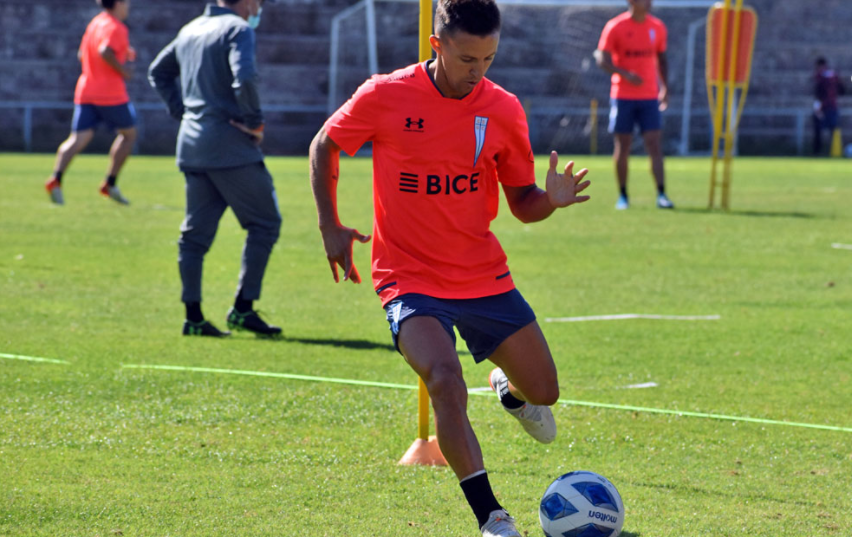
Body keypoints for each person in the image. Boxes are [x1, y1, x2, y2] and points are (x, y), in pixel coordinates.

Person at [309, 1, 590, 535]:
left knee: (546, 393)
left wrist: (549, 201)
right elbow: (325, 144)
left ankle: (508, 389)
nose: (477, 71)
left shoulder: (503, 109)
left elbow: (522, 203)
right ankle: (492, 516)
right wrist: (330, 224)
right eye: (466, 58)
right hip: (407, 278)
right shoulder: (385, 95)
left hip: (483, 276)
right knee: (444, 378)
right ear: (436, 46)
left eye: (488, 58)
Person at [148, 0, 282, 338]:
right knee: (265, 222)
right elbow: (246, 76)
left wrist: (183, 113)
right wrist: (255, 122)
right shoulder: (236, 29)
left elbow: (158, 72)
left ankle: (193, 317)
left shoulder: (189, 29)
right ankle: (243, 308)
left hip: (192, 146)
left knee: (194, 237)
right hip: (229, 145)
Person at [45, 0, 137, 206]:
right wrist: (123, 71)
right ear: (118, 3)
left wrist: (121, 53)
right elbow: (105, 51)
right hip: (111, 93)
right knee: (129, 135)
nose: (128, 6)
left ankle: (56, 178)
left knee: (78, 138)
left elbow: (83, 54)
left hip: (86, 90)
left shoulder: (95, 23)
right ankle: (110, 182)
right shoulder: (116, 26)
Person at [594, 0, 673, 210]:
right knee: (623, 146)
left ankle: (662, 194)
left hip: (649, 96)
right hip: (623, 96)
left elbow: (662, 58)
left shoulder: (657, 27)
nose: (648, 2)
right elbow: (601, 58)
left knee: (654, 144)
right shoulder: (615, 26)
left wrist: (665, 87)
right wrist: (625, 74)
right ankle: (623, 196)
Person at [812, 57, 845, 156]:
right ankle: (835, 152)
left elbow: (818, 93)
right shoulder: (834, 74)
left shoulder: (820, 76)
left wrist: (817, 108)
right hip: (833, 106)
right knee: (833, 130)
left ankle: (817, 152)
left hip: (823, 106)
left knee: (818, 130)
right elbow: (842, 89)